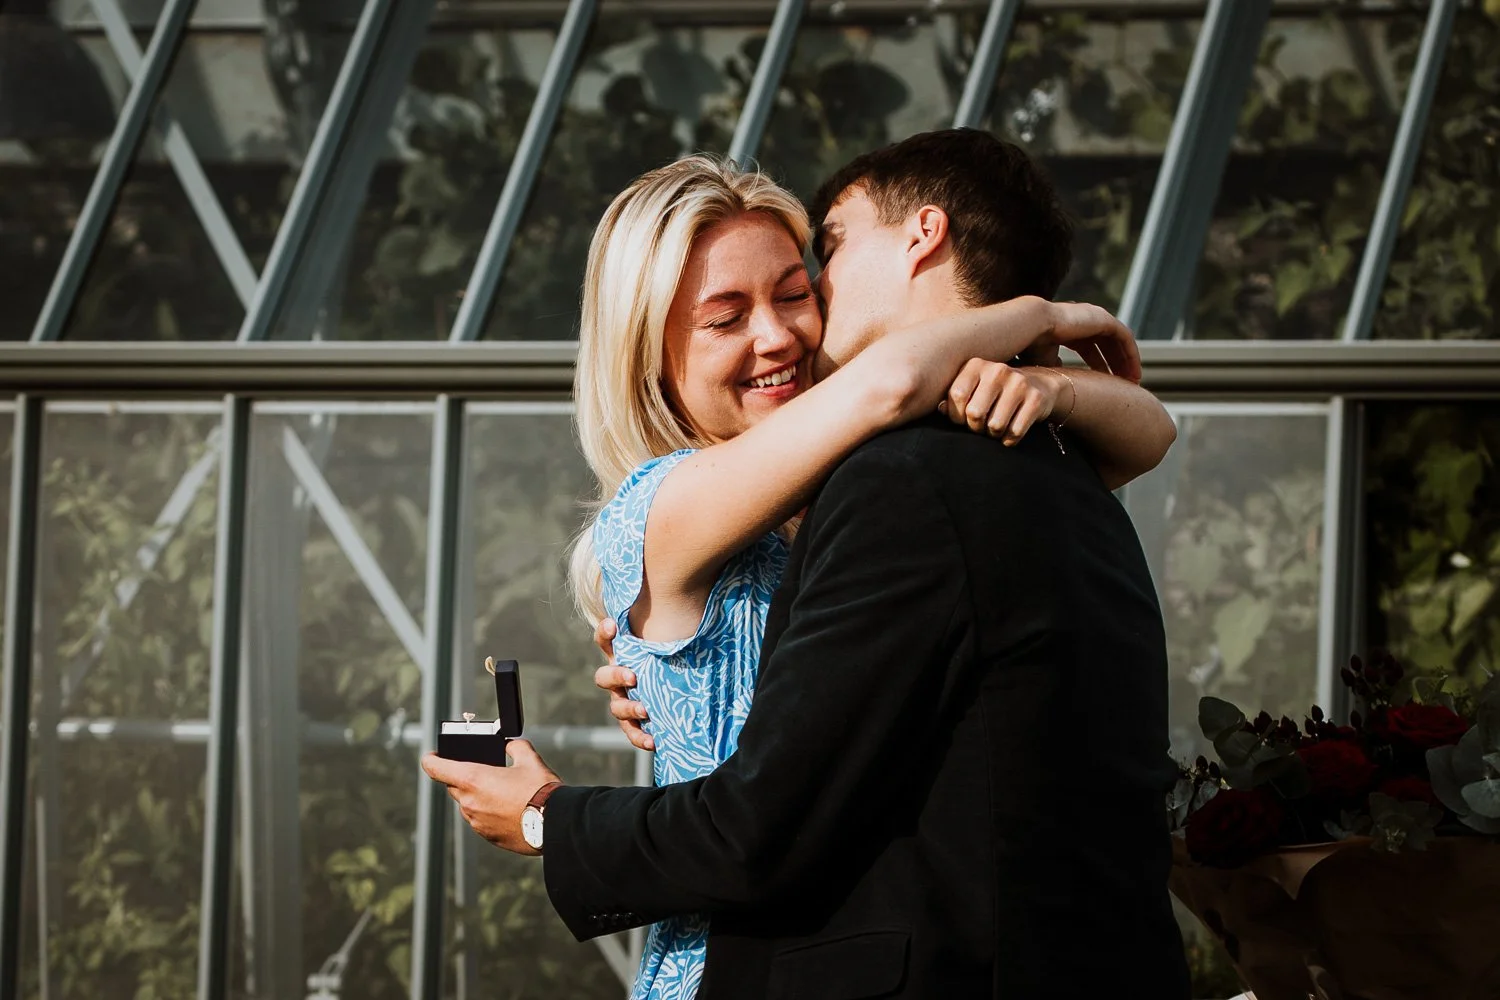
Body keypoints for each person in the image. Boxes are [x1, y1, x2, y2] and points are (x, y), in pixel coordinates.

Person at [424, 129, 1190, 999]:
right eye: (724, 318)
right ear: (648, 352)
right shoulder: (665, 503)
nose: (780, 335)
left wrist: (1061, 388)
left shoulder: (861, 481)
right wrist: (1043, 317)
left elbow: (1144, 439)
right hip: (726, 946)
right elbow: (890, 383)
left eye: (798, 291)